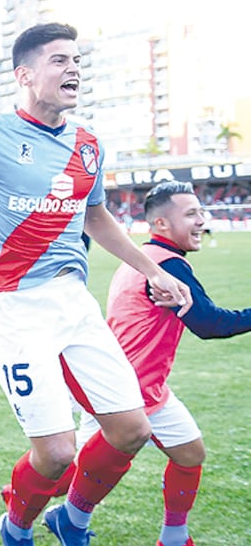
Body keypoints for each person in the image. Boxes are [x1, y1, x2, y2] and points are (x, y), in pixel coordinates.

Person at [0, 22, 192, 546]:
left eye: (77, 62)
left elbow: (97, 216)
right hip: (12, 306)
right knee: (58, 451)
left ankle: (71, 518)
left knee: (133, 430)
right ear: (24, 74)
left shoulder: (88, 145)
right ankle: (16, 527)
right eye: (60, 61)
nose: (73, 71)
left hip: (72, 299)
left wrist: (153, 269)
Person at [75, 181, 251, 546]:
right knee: (67, 469)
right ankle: (30, 506)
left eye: (202, 211)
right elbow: (209, 324)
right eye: (191, 214)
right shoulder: (168, 266)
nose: (202, 220)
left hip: (139, 385)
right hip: (126, 390)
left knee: (190, 453)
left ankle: (174, 538)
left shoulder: (146, 256)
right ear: (161, 226)